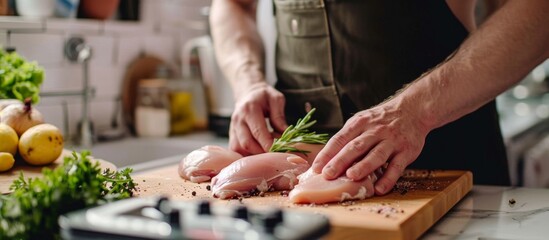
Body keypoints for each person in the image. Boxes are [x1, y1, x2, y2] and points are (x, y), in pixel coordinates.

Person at [209, 0, 549, 195]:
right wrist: (248, 79)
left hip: (445, 154)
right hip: (296, 172)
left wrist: (414, 111)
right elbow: (232, 5)